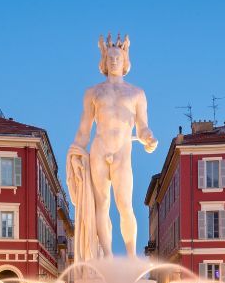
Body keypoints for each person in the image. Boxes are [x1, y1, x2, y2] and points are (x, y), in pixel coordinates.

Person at [67, 34, 158, 260]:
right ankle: (107, 256)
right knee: (102, 205)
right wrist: (77, 151)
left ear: (125, 60)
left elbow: (143, 127)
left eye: (118, 57)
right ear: (104, 62)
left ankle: (131, 255)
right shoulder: (93, 93)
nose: (114, 61)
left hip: (122, 152)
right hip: (99, 150)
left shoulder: (137, 93)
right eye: (110, 58)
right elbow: (84, 129)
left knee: (125, 204)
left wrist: (149, 138)